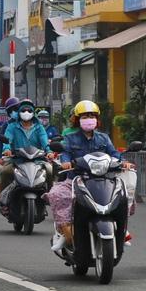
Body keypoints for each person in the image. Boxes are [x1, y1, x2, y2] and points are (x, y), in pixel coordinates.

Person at [50, 101, 133, 251]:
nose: (89, 119)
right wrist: (66, 163)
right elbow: (65, 154)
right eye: (85, 116)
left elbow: (114, 154)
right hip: (76, 179)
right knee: (56, 194)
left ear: (97, 119)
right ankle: (64, 231)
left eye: (92, 116)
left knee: (123, 195)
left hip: (104, 179)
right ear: (77, 119)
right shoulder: (70, 138)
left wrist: (124, 162)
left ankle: (123, 227)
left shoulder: (104, 138)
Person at [0, 98, 53, 206]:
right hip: (17, 160)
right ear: (19, 112)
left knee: (50, 170)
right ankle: (5, 200)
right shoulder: (12, 126)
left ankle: (49, 195)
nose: (26, 113)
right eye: (23, 110)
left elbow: (44, 140)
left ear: (33, 113)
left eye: (29, 110)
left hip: (37, 160)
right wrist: (7, 149)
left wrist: (48, 151)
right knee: (4, 172)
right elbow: (7, 139)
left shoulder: (39, 127)